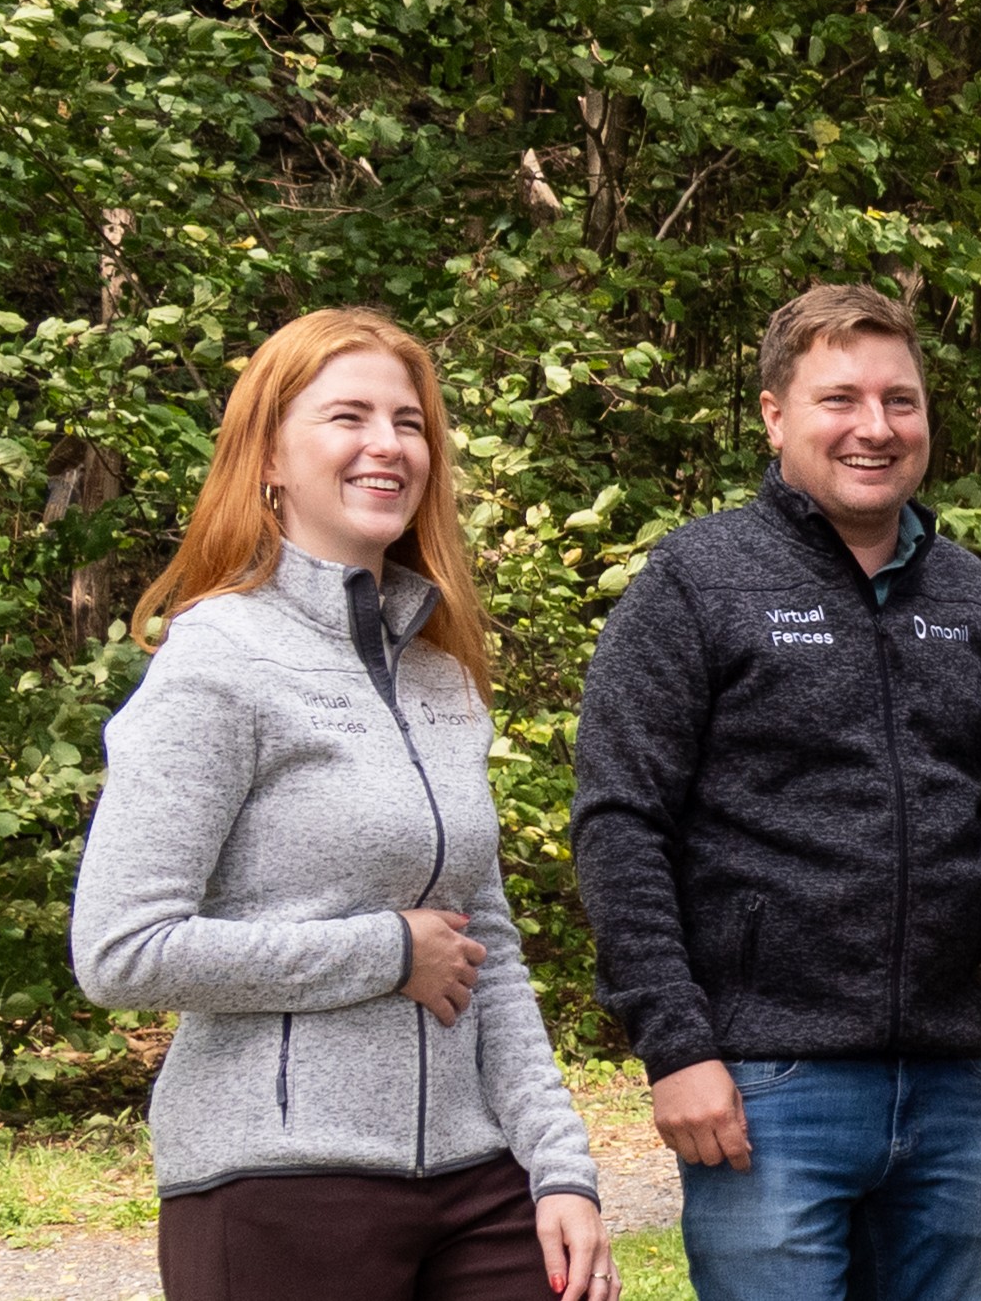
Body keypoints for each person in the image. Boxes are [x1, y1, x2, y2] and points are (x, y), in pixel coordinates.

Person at [73, 307, 612, 1301]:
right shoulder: (218, 657)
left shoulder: (441, 674)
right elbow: (120, 949)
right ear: (270, 456)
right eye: (348, 416)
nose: (387, 445)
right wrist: (385, 950)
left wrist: (560, 1165)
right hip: (275, 1180)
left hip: (474, 1176)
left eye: (408, 423)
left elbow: (483, 938)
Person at [570, 283, 981, 1300]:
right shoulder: (697, 579)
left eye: (902, 399)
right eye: (840, 398)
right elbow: (622, 821)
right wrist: (675, 1043)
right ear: (775, 413)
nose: (875, 427)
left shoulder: (968, 593)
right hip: (765, 1085)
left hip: (946, 1084)